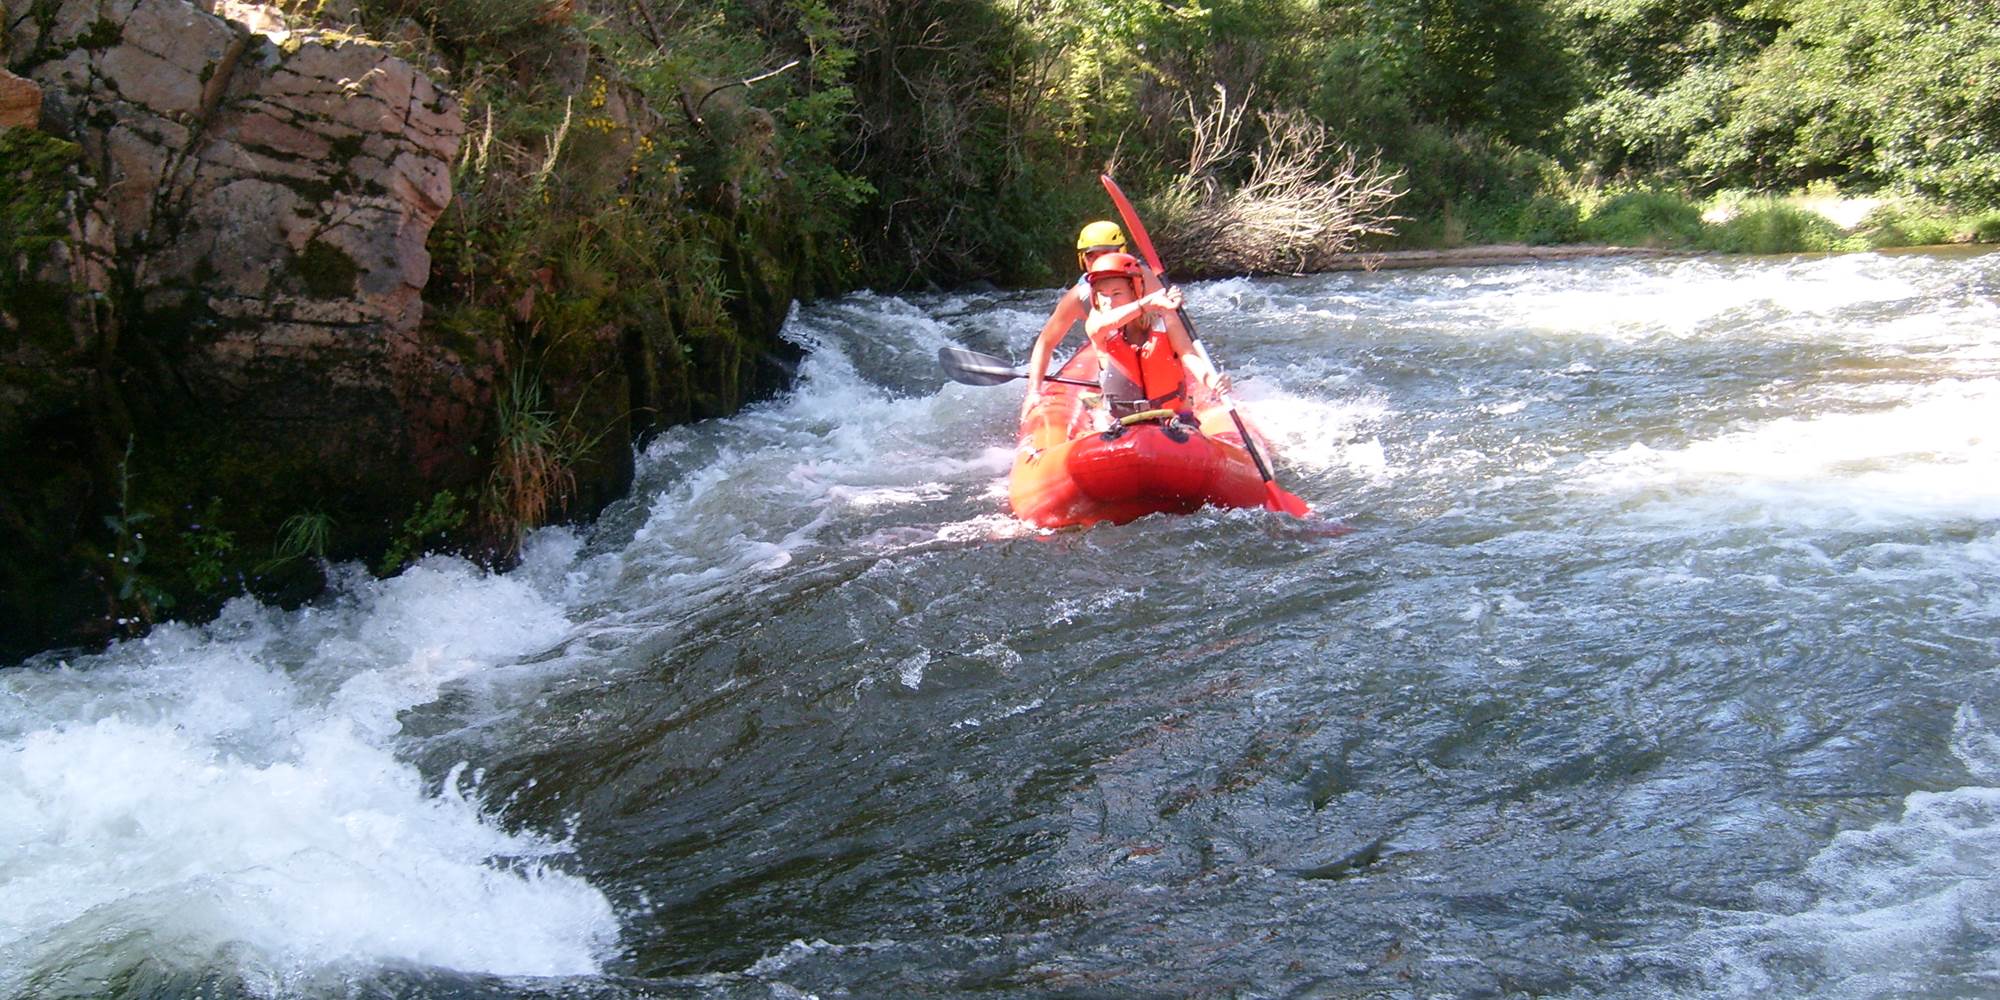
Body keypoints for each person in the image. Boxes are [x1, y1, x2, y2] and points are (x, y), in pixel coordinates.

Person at [1020, 221, 1168, 416]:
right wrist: (1033, 392)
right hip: (1116, 372)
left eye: (1106, 253)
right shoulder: (1079, 296)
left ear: (1121, 252)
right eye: (1091, 256)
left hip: (1152, 362)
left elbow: (1171, 325)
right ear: (1082, 259)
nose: (1099, 262)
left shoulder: (1144, 278)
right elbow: (1046, 342)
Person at [1080, 251, 1221, 421]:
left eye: (1117, 293)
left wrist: (1211, 380)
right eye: (1102, 294)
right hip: (1123, 422)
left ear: (1135, 291)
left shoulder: (1163, 317)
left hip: (1172, 416)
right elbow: (1103, 325)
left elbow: (1187, 354)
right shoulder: (1098, 321)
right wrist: (1145, 304)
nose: (1108, 301)